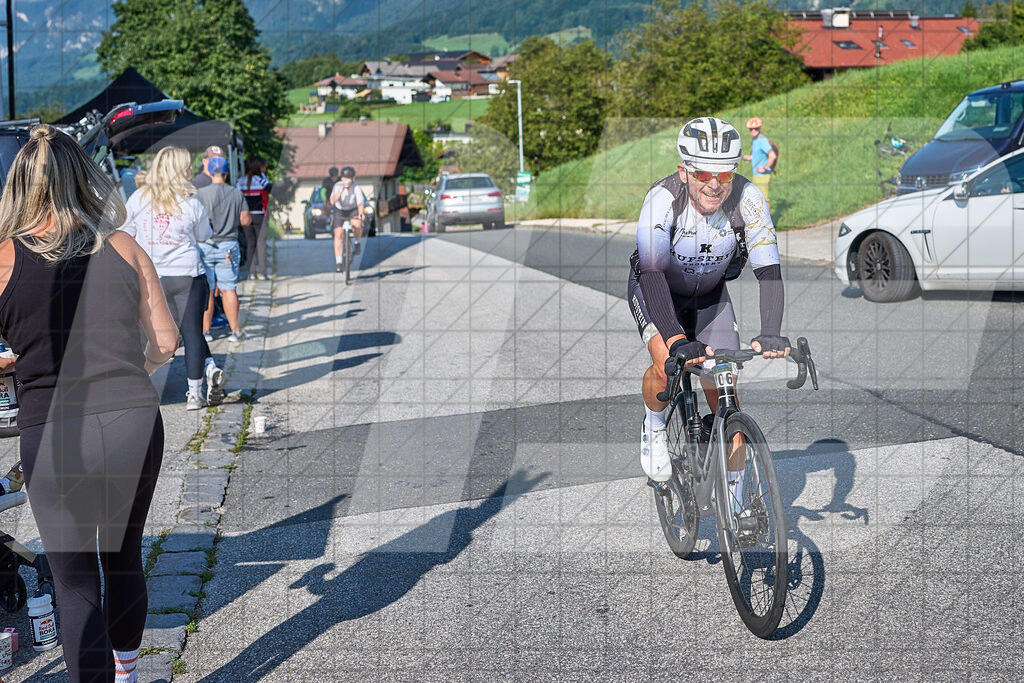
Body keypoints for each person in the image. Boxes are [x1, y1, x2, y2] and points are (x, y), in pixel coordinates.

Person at [0, 124, 178, 682]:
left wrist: (18, 363)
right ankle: (127, 672)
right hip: (131, 419)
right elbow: (167, 342)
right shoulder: (123, 245)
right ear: (86, 177)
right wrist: (130, 368)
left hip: (51, 431)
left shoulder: (3, 259)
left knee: (73, 579)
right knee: (122, 556)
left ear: (20, 186)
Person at [628, 116, 790, 486]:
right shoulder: (662, 199)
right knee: (667, 365)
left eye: (725, 175)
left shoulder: (748, 199)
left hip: (711, 297)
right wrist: (675, 340)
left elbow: (768, 270)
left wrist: (770, 332)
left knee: (726, 392)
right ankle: (653, 425)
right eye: (703, 175)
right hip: (657, 291)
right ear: (684, 171)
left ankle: (736, 503)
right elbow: (652, 274)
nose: (715, 186)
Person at [122, 145, 225, 410]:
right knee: (192, 334)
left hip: (151, 276)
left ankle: (143, 388)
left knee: (149, 333)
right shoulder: (191, 201)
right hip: (187, 274)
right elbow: (204, 235)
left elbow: (125, 233)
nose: (191, 169)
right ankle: (195, 394)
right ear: (180, 170)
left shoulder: (138, 198)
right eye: (188, 165)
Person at [196, 156, 250, 345]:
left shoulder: (200, 194)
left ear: (210, 172)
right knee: (229, 289)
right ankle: (235, 331)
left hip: (205, 245)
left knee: (208, 291)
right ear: (226, 173)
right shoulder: (236, 193)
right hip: (228, 245)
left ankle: (206, 331)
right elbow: (245, 220)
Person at [237, 157, 271, 280]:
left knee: (250, 243)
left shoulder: (240, 181)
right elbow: (270, 189)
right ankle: (263, 273)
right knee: (261, 244)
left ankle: (252, 273)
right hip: (259, 215)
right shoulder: (260, 180)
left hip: (246, 215)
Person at [329, 165, 366, 271]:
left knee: (357, 224)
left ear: (353, 179)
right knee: (338, 233)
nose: (347, 180)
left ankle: (356, 242)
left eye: (349, 178)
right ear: (341, 178)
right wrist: (341, 190)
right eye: (344, 178)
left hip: (352, 209)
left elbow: (360, 203)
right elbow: (332, 201)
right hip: (339, 210)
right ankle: (339, 262)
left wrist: (361, 213)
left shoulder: (356, 187)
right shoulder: (337, 186)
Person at [742, 117, 777, 204]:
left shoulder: (762, 140)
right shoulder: (755, 139)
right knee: (758, 200)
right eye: (751, 129)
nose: (753, 130)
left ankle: (768, 218)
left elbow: (772, 156)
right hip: (756, 175)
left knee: (764, 200)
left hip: (762, 175)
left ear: (760, 128)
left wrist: (765, 168)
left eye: (756, 128)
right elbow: (759, 155)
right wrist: (750, 158)